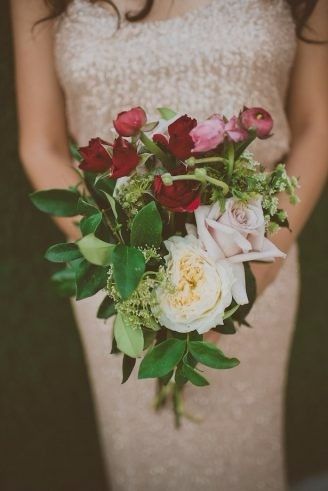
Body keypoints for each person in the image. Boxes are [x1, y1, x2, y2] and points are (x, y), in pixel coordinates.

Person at [11, 0, 328, 489]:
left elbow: (316, 126)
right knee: (143, 462)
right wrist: (133, 269)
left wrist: (251, 275)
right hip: (123, 286)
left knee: (244, 460)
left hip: (257, 260)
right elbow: (41, 145)